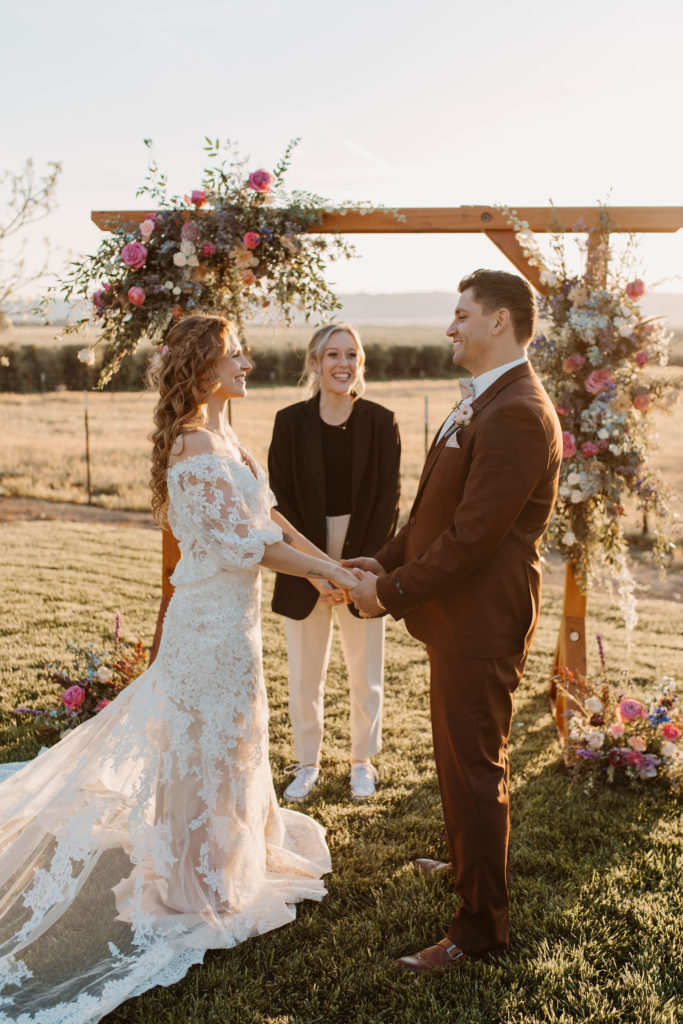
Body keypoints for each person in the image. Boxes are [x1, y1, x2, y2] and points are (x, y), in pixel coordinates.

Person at [0, 315, 358, 1021]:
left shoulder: (228, 439)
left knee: (234, 737)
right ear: (204, 369)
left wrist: (328, 566)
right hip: (207, 629)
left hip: (240, 625)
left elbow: (274, 522)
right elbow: (240, 547)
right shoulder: (194, 449)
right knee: (202, 746)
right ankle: (195, 886)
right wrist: (323, 569)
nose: (248, 364)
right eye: (235, 356)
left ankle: (231, 854)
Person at [347, 270, 562, 972]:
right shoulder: (480, 400)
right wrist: (377, 562)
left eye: (461, 315)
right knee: (455, 759)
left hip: (482, 620)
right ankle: (468, 864)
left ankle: (478, 932)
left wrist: (393, 591)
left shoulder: (516, 413)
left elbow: (473, 536)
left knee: (473, 769)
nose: (450, 328)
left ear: (499, 321)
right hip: (454, 615)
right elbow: (432, 513)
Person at [267, 324, 401, 802]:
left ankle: (362, 761)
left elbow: (388, 503)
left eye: (351, 355)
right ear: (315, 363)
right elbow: (276, 503)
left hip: (362, 559)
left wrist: (355, 574)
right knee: (305, 673)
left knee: (366, 670)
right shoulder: (288, 422)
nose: (343, 364)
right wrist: (314, 569)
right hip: (301, 554)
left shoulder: (382, 422)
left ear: (359, 364)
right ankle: (307, 763)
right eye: (332, 355)